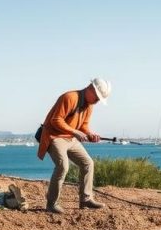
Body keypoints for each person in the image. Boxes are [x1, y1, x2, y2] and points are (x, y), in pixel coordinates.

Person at [36, 78, 111, 213]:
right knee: (63, 166)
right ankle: (51, 204)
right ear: (90, 89)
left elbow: (84, 126)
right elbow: (55, 120)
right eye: (97, 97)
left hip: (70, 138)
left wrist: (90, 134)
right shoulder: (69, 97)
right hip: (54, 137)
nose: (97, 101)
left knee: (88, 163)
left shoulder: (89, 105)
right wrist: (74, 131)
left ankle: (86, 200)